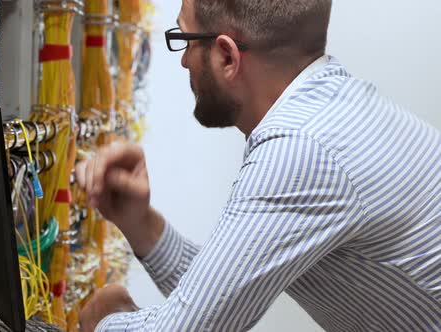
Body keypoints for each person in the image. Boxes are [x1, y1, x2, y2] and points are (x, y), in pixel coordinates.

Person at [76, 0, 441, 331]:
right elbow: (221, 298)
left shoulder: (301, 150)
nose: (184, 60)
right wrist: (140, 223)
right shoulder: (330, 108)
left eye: (184, 39)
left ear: (227, 57)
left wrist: (104, 321)